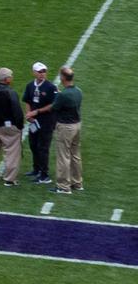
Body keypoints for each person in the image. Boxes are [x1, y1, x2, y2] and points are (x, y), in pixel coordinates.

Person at [25, 63, 60, 186]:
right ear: (34, 72)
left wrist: (37, 111)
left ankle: (44, 175)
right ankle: (36, 169)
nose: (42, 74)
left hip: (46, 122)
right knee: (33, 145)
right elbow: (27, 100)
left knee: (43, 148)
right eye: (40, 72)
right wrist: (28, 114)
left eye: (44, 71)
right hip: (34, 122)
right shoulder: (30, 86)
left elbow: (53, 105)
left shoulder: (51, 87)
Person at [52, 66, 84, 194]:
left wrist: (58, 96)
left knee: (63, 156)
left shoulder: (63, 95)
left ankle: (64, 186)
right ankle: (77, 183)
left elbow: (54, 108)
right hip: (76, 125)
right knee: (75, 155)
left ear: (63, 78)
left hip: (65, 127)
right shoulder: (78, 91)